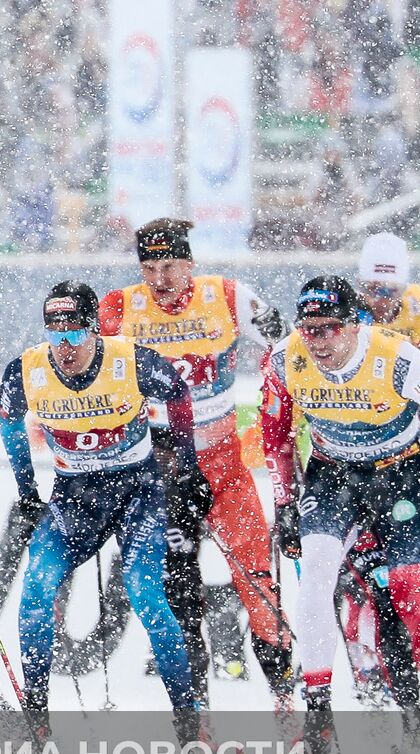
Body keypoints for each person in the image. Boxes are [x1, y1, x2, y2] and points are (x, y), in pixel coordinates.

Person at [260, 276, 420, 754]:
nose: (317, 341)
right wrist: (283, 503)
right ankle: (318, 715)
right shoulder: (284, 358)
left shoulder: (396, 357)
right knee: (317, 579)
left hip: (400, 476)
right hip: (332, 476)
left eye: (329, 328)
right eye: (308, 329)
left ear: (354, 324)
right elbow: (276, 436)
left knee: (411, 594)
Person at [98, 218, 295, 711]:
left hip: (224, 464)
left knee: (257, 581)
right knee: (177, 593)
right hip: (160, 470)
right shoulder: (119, 307)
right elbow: (81, 365)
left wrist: (283, 400)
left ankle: (286, 703)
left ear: (191, 263)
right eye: (149, 268)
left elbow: (289, 348)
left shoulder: (228, 296)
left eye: (170, 266)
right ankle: (195, 716)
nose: (160, 279)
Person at [1, 281, 210, 744]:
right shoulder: (26, 370)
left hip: (137, 492)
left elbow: (178, 392)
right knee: (35, 589)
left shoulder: (129, 358)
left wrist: (188, 467)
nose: (65, 348)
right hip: (75, 497)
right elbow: (9, 422)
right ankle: (36, 718)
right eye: (55, 336)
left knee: (146, 594)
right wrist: (26, 489)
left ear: (94, 331)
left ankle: (188, 720)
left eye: (74, 335)